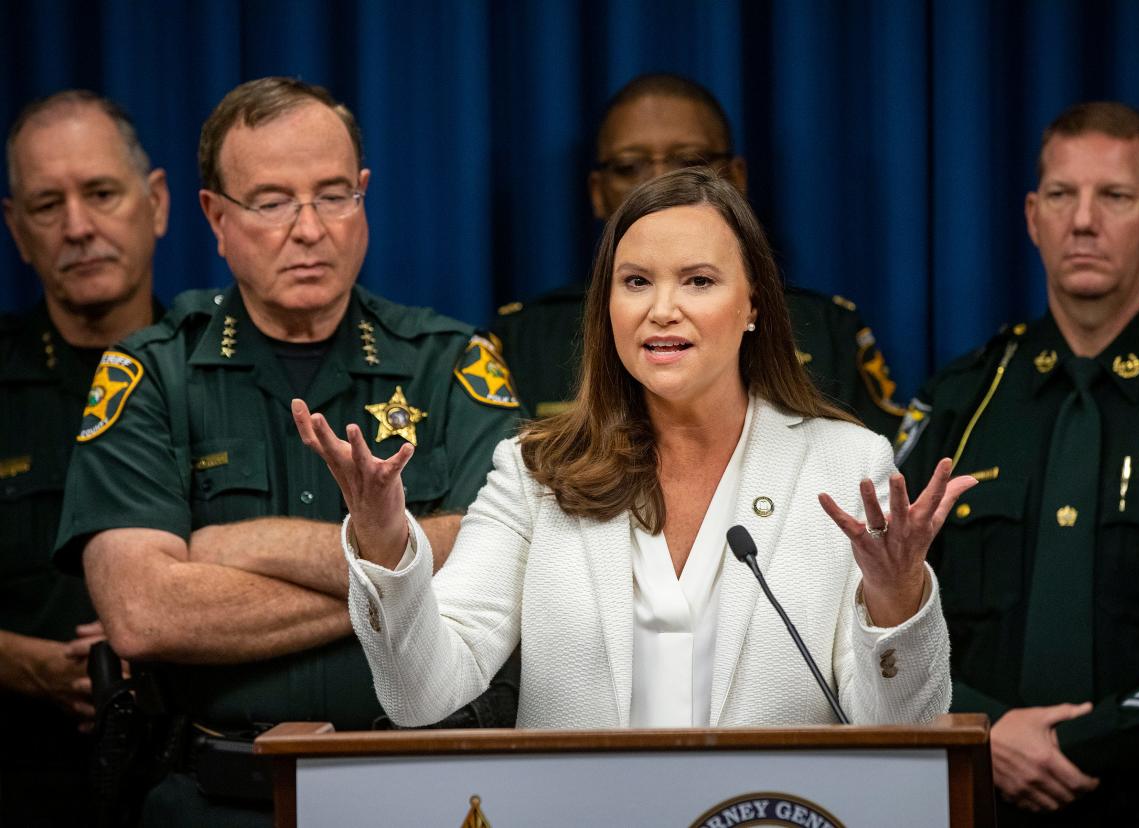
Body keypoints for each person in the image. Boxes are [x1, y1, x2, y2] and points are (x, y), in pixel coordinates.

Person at [297, 167, 971, 730]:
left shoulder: (847, 465)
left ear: (754, 304)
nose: (662, 309)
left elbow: (899, 729)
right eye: (636, 282)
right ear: (607, 307)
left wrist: (895, 594)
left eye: (699, 281)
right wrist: (384, 541)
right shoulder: (535, 472)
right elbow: (422, 696)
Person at [51, 77, 522, 826]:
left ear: (364, 196)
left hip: (429, 794)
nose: (310, 228)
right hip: (219, 800)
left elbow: (505, 562)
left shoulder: (452, 362)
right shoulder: (150, 374)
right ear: (215, 217)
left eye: (334, 195)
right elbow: (144, 613)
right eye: (271, 202)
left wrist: (239, 547)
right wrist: (400, 582)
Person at [898, 101, 1139, 825]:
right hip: (977, 802)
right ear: (1032, 216)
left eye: (1114, 196)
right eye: (1061, 195)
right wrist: (982, 728)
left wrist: (1083, 744)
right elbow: (879, 610)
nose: (1084, 220)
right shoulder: (961, 400)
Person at [490, 73, 904, 435]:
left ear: (737, 178)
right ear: (597, 192)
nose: (660, 182)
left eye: (690, 162)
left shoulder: (827, 329)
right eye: (630, 165)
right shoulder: (522, 339)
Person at [0, 90, 168, 827]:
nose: (78, 227)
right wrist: (17, 661)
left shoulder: (226, 370)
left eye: (101, 193)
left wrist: (173, 634)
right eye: (47, 205)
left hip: (192, 776)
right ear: (17, 229)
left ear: (156, 203)